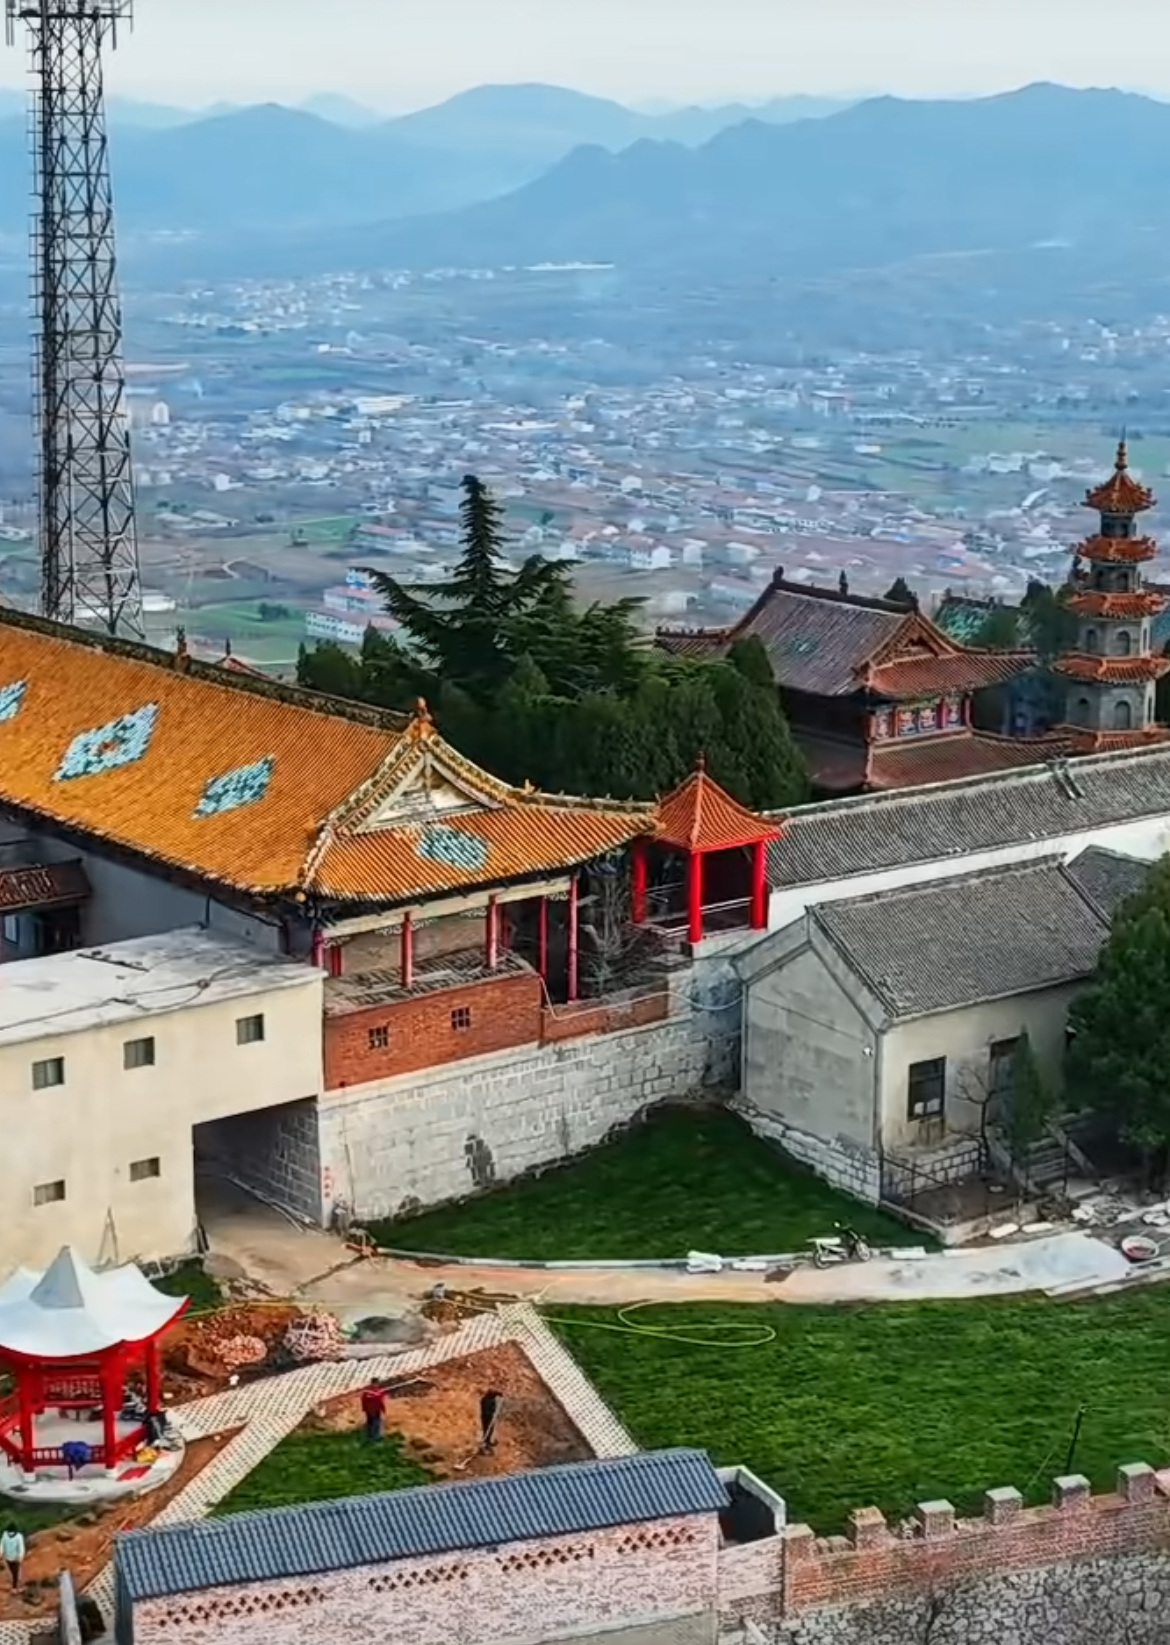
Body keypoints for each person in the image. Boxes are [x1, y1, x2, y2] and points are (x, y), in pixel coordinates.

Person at [479, 1390, 504, 1455]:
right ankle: (485, 1444)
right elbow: (486, 1411)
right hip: (486, 1418)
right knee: (487, 1430)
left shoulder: (491, 1399)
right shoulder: (486, 1400)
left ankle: (488, 1442)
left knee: (490, 1430)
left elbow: (496, 1393)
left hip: (489, 1417)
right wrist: (492, 1414)